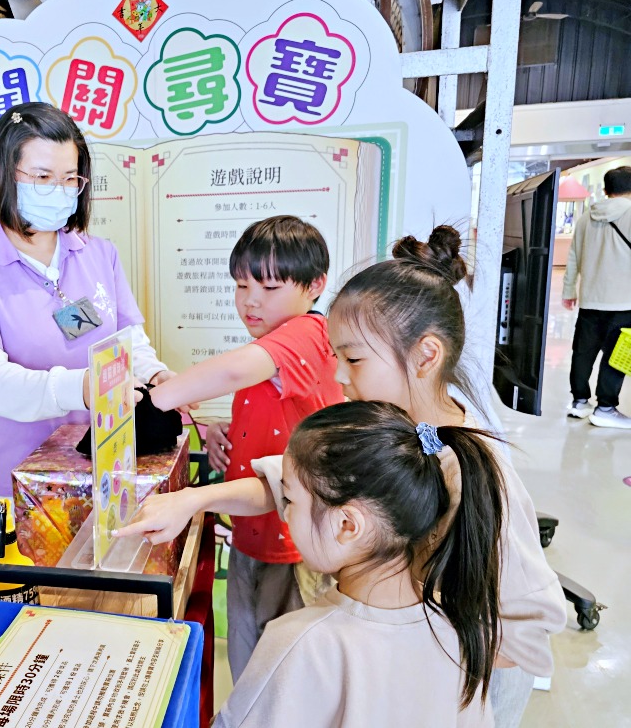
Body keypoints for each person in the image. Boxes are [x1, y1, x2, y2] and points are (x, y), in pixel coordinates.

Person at [119, 227, 567, 728]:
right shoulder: (381, 422)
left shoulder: (474, 469)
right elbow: (282, 482)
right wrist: (193, 500)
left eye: (352, 358)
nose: (336, 375)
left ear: (425, 356)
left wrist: (409, 644)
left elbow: (531, 628)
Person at [0, 102, 174, 531]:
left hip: (105, 467)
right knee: (26, 594)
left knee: (104, 593)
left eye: (70, 178)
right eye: (42, 177)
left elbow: (129, 342)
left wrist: (157, 375)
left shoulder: (98, 253)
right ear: (4, 174)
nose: (59, 189)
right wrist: (80, 387)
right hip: (17, 482)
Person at [215, 400, 504, 727]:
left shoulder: (300, 641)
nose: (286, 514)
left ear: (347, 526)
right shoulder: (458, 628)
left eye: (290, 500)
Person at [146, 215, 343, 679]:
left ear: (315, 285)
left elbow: (235, 371)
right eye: (240, 285)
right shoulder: (275, 343)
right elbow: (272, 416)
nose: (250, 300)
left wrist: (152, 401)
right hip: (253, 535)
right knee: (249, 665)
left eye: (270, 288)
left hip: (296, 545)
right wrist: (222, 433)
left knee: (285, 676)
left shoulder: (311, 333)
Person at [562, 165, 631, 429]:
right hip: (625, 302)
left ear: (605, 190)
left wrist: (569, 291)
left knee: (583, 352)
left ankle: (579, 402)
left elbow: (573, 259)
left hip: (590, 299)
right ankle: (605, 408)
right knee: (616, 355)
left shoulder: (585, 218)